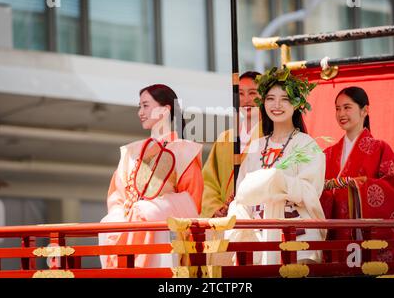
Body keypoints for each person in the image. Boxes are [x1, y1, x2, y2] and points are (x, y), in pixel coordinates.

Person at [226, 67, 326, 265]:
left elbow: (310, 191)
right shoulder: (256, 146)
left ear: (297, 104)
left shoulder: (307, 145)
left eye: (285, 99)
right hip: (258, 233)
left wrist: (278, 182)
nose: (277, 105)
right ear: (263, 103)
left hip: (296, 231)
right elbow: (242, 195)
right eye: (270, 98)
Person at [99, 84, 203, 268]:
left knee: (146, 211)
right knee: (108, 222)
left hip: (160, 221)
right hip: (131, 219)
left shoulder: (184, 150)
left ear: (165, 109)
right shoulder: (132, 151)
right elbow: (117, 193)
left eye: (146, 105)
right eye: (140, 106)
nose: (140, 112)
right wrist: (121, 213)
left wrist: (149, 208)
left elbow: (192, 199)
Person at [320, 86, 394, 261]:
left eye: (347, 107)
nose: (341, 113)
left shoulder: (380, 148)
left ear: (365, 110)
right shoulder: (327, 154)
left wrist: (362, 185)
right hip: (335, 233)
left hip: (365, 235)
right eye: (337, 109)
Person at [201, 71, 262, 218]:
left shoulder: (271, 135)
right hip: (224, 217)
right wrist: (215, 208)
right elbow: (208, 182)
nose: (246, 100)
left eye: (252, 93)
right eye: (240, 94)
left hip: (257, 214)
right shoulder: (225, 138)